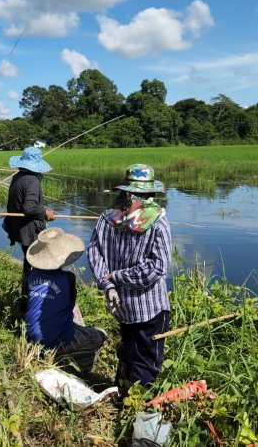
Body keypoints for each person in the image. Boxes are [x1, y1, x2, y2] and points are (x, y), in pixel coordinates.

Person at [87, 164, 172, 389]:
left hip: (121, 305)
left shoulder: (107, 218)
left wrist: (108, 284)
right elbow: (158, 268)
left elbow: (94, 254)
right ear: (150, 193)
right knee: (146, 361)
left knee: (128, 350)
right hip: (150, 307)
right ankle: (135, 408)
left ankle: (121, 393)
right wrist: (117, 277)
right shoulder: (157, 222)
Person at [25, 228, 107, 373]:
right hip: (55, 340)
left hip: (30, 335)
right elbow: (70, 306)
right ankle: (81, 368)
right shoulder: (68, 278)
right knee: (101, 334)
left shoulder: (32, 274)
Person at [3, 146, 55, 298]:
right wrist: (45, 212)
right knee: (34, 265)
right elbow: (30, 208)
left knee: (29, 263)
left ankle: (27, 297)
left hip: (19, 229)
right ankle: (32, 298)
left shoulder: (18, 176)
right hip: (29, 231)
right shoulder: (32, 180)